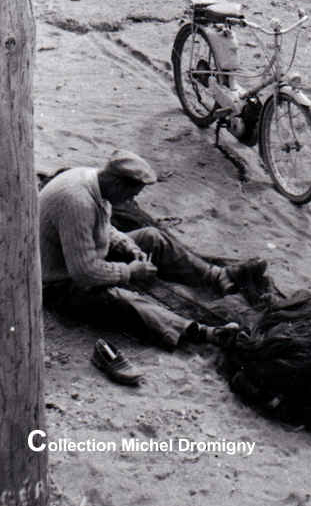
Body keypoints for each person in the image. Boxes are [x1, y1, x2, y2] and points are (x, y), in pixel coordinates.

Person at [39, 150, 267, 362]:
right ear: (118, 184)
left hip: (82, 257)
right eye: (131, 195)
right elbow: (85, 273)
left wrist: (128, 245)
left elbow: (104, 226)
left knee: (151, 237)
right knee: (118, 297)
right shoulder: (78, 202)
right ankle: (200, 331)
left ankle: (216, 275)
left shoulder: (95, 182)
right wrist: (129, 272)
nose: (130, 202)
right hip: (59, 282)